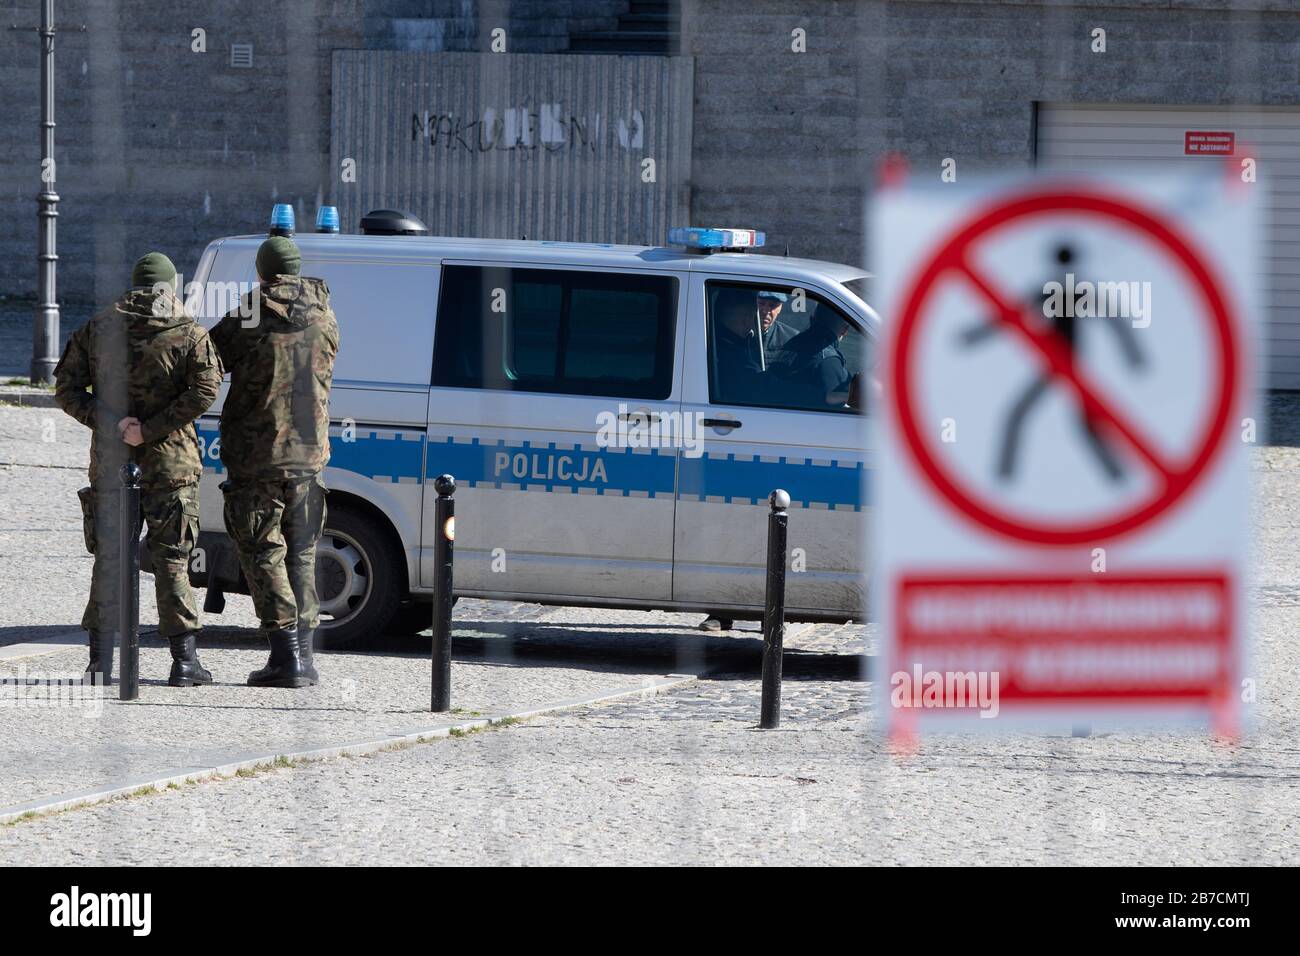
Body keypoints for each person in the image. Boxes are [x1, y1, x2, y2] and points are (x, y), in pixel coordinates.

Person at [54, 252, 222, 686]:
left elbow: (66, 388)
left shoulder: (98, 328)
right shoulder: (189, 333)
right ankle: (184, 663)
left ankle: (99, 662)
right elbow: (206, 389)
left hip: (112, 463)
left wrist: (115, 425)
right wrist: (152, 429)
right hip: (172, 465)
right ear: (169, 288)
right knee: (171, 559)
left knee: (110, 558)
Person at [210, 236, 339, 688]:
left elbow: (205, 361)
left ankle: (286, 658)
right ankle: (304, 655)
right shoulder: (325, 314)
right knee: (302, 552)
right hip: (309, 456)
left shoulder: (249, 312)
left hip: (256, 457)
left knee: (264, 552)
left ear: (262, 272)